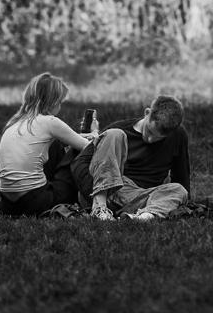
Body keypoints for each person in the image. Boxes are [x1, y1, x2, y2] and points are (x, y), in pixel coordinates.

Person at [71, 94, 190, 222]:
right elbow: (79, 163)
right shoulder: (119, 129)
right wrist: (94, 192)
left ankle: (142, 217)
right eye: (149, 131)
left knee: (179, 190)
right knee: (115, 134)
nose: (150, 139)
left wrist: (183, 203)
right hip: (108, 189)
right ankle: (100, 208)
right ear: (147, 113)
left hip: (141, 197)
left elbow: (181, 175)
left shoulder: (178, 135)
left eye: (158, 138)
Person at [0, 72, 98, 218]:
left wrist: (79, 137)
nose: (60, 106)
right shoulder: (50, 122)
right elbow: (88, 147)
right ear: (53, 101)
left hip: (9, 204)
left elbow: (66, 140)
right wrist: (95, 132)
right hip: (36, 202)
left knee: (56, 144)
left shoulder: (14, 124)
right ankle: (91, 196)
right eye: (60, 102)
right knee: (78, 151)